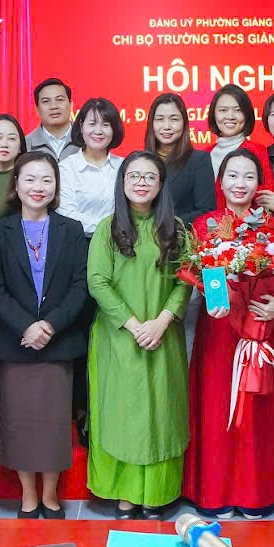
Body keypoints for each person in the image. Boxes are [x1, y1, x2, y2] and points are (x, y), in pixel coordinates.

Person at [0, 152, 89, 518]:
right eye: (30, 179)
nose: (38, 187)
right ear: (16, 185)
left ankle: (51, 495)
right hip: (15, 343)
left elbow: (80, 286)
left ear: (56, 185)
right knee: (19, 425)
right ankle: (28, 495)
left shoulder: (71, 229)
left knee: (53, 425)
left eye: (46, 179)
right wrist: (26, 325)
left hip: (58, 343)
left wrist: (50, 325)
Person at [183, 149, 274, 519]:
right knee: (216, 409)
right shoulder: (204, 226)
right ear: (220, 181)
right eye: (232, 175)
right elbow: (200, 274)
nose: (239, 184)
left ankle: (254, 494)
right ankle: (215, 493)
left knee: (255, 411)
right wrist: (216, 300)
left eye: (248, 176)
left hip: (260, 327)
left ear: (258, 183)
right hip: (219, 328)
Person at [86, 151, 190, 520]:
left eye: (150, 176)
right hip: (119, 338)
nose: (141, 182)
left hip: (164, 336)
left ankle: (156, 494)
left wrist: (162, 321)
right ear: (122, 181)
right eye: (134, 175)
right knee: (123, 414)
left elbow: (186, 280)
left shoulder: (177, 228)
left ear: (161, 184)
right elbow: (97, 282)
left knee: (161, 414)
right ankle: (125, 495)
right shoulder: (107, 228)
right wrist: (133, 325)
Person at [58, 97, 125, 236]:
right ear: (81, 126)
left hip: (120, 242)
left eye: (105, 125)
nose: (98, 131)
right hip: (78, 242)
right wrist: (108, 229)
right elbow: (67, 214)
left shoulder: (124, 166)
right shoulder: (66, 168)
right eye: (92, 124)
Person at [145, 93, 214, 226]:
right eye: (160, 119)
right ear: (151, 123)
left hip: (180, 235)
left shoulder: (199, 160)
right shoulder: (140, 162)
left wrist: (168, 226)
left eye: (174, 119)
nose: (167, 126)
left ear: (184, 123)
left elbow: (206, 211)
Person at [205, 85, 274, 209]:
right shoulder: (203, 155)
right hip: (206, 221)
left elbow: (265, 202)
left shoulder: (257, 151)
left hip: (245, 221)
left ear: (247, 114)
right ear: (213, 114)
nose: (230, 116)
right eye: (223, 110)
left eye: (237, 110)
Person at [26, 78, 79, 160]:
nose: (53, 106)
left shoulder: (87, 140)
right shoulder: (25, 145)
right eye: (46, 101)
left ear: (71, 105)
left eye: (59, 99)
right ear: (37, 109)